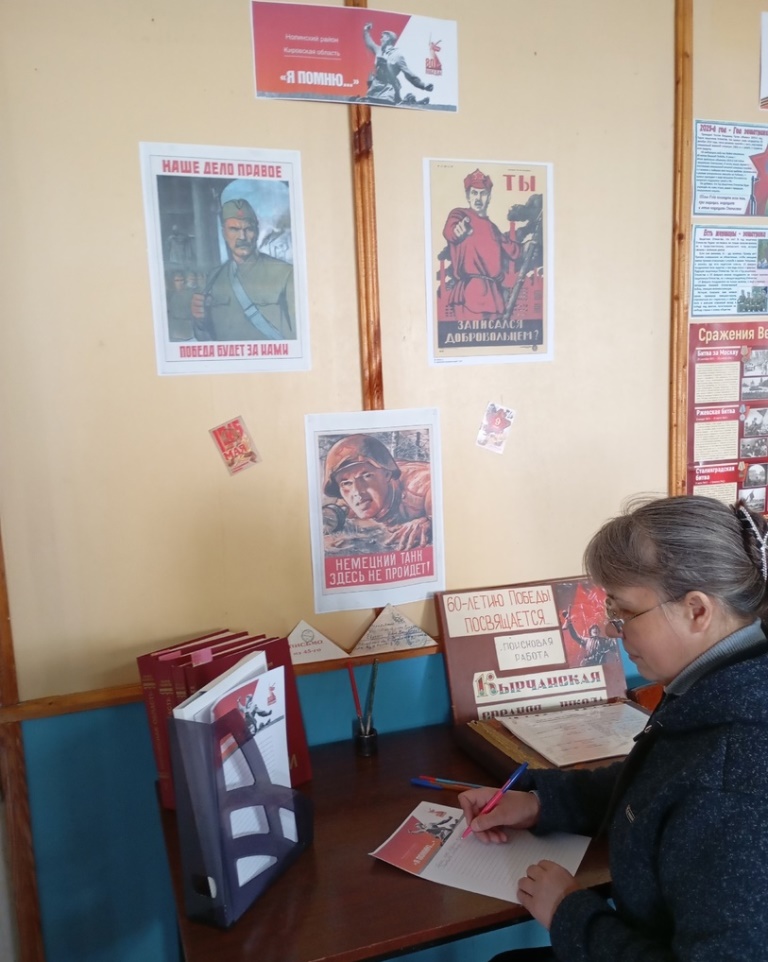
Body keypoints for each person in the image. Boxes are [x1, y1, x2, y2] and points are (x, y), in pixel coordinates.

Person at [459, 495, 768, 962]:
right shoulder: (723, 683)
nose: (609, 630)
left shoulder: (734, 784)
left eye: (623, 613)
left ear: (697, 611)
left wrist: (570, 913)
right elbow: (660, 785)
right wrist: (543, 802)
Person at [192, 198, 295, 342]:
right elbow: (206, 339)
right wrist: (199, 321)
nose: (242, 237)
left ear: (256, 232)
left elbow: (299, 337)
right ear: (224, 233)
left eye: (248, 229)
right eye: (234, 229)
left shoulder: (285, 274)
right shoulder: (214, 278)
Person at [322, 433, 432, 552]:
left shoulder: (423, 486)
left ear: (387, 474)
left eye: (366, 476)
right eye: (346, 483)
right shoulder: (346, 504)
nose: (357, 492)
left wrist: (430, 522)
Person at [441, 170, 521, 322]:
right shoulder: (460, 214)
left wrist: (530, 244)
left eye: (483, 193)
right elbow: (450, 231)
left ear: (489, 197)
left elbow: (514, 251)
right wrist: (458, 231)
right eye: (474, 193)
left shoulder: (493, 228)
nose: (478, 198)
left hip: (494, 296)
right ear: (468, 196)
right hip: (471, 293)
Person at [362, 22, 434, 105]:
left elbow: (408, 74)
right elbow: (369, 43)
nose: (380, 39)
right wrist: (366, 31)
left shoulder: (397, 56)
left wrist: (423, 85)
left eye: (382, 37)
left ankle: (409, 101)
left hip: (387, 93)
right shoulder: (379, 50)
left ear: (388, 38)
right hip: (373, 91)